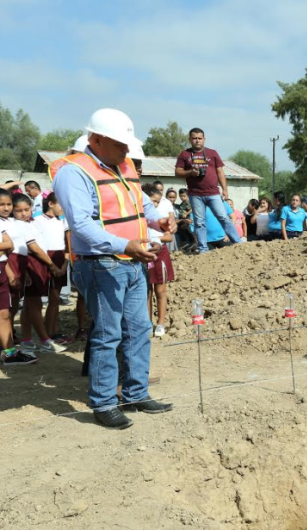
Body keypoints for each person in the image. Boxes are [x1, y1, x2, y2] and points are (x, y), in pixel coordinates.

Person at [51, 108, 175, 429]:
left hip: (133, 260)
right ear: (96, 139)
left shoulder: (124, 163)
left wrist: (156, 220)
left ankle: (136, 393)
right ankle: (104, 402)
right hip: (101, 264)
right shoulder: (74, 172)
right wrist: (125, 245)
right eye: (121, 145)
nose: (127, 151)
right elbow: (80, 225)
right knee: (108, 334)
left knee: (139, 329)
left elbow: (140, 203)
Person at [7, 193, 67, 356]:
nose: (24, 213)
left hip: (35, 265)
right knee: (31, 305)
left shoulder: (31, 222)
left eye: (27, 209)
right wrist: (51, 265)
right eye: (19, 210)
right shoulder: (16, 225)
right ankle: (44, 340)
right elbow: (34, 248)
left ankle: (26, 340)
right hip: (29, 264)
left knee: (29, 305)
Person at [174, 128, 242, 253]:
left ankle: (238, 242)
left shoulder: (212, 153)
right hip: (195, 194)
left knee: (223, 217)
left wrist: (225, 189)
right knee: (199, 222)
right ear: (190, 139)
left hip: (213, 193)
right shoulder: (185, 154)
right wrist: (190, 172)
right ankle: (203, 249)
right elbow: (177, 171)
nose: (197, 141)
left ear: (204, 139)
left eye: (200, 138)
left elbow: (220, 172)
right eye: (194, 138)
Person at [33, 193, 69, 341]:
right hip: (44, 259)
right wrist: (52, 265)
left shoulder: (62, 222)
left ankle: (53, 331)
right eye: (61, 204)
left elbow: (67, 246)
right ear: (51, 204)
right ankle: (43, 333)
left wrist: (65, 264)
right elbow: (36, 246)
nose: (63, 208)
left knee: (55, 298)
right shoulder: (37, 220)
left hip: (60, 258)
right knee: (36, 300)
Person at [142, 185, 175, 338]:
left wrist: (153, 238)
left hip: (159, 254)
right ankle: (147, 323)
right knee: (146, 292)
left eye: (157, 202)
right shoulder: (139, 218)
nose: (155, 205)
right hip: (144, 254)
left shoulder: (160, 218)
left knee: (160, 291)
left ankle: (160, 323)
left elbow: (169, 237)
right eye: (152, 201)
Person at [0, 190, 21, 365]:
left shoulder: (3, 224)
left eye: (8, 204)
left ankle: (10, 352)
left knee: (5, 313)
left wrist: (10, 273)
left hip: (2, 269)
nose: (6, 208)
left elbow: (10, 245)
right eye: (2, 204)